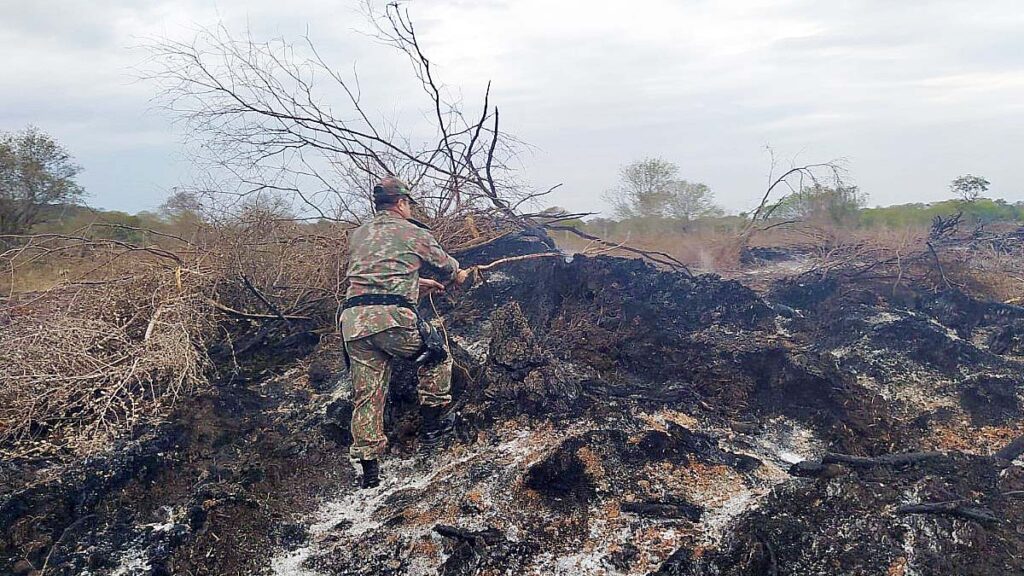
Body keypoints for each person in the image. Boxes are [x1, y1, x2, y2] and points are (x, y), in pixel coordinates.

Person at [339, 177, 470, 489]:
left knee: (367, 393)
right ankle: (433, 429)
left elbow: (377, 275)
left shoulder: (360, 233)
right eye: (409, 203)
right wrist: (459, 274)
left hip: (353, 322)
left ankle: (370, 473)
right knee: (437, 355)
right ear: (401, 203)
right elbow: (445, 265)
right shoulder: (413, 231)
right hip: (393, 320)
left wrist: (416, 283)